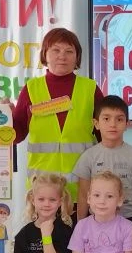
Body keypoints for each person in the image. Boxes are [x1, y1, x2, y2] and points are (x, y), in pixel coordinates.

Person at [12, 27, 104, 202]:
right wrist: (4, 118)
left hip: (82, 191)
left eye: (69, 51)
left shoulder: (90, 89)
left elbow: (105, 137)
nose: (62, 56)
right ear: (45, 54)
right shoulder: (31, 89)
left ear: (77, 57)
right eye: (56, 50)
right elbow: (16, 135)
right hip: (42, 192)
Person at [73, 95, 132, 222]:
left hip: (129, 219)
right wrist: (80, 227)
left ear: (127, 124)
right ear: (96, 124)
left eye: (119, 119)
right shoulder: (88, 157)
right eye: (106, 119)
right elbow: (83, 195)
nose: (113, 124)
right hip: (97, 221)